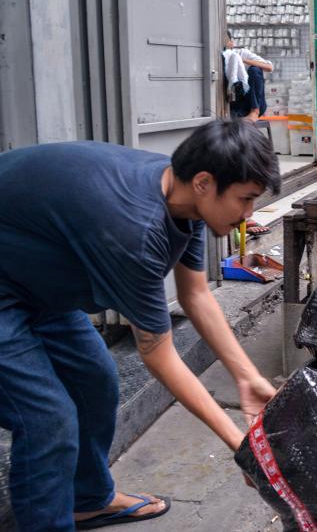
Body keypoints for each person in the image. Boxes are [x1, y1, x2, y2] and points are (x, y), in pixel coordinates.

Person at [0, 120, 282, 531]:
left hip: (30, 281)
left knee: (94, 382)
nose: (248, 214)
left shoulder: (185, 197)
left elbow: (196, 296)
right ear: (205, 183)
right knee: (47, 417)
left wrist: (246, 377)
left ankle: (88, 500)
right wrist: (241, 444)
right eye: (245, 199)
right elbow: (158, 354)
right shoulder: (135, 229)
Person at [224, 31, 274, 122]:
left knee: (254, 69)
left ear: (231, 43)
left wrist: (241, 60)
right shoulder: (220, 59)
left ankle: (254, 111)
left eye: (225, 41)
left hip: (253, 103)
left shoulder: (242, 53)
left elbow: (269, 67)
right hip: (236, 106)